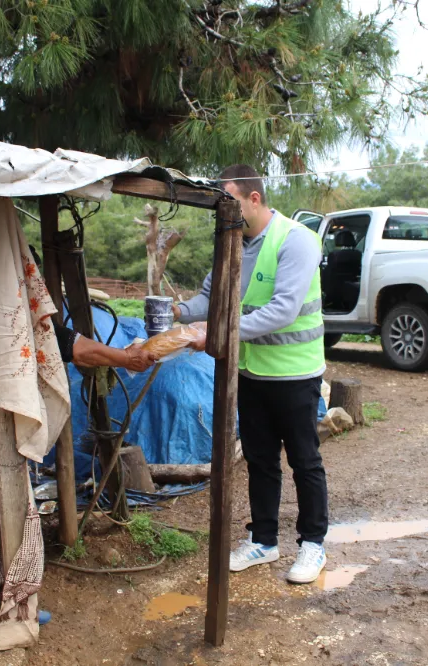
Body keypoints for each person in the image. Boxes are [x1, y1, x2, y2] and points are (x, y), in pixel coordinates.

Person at [173, 165, 328, 584]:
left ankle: (313, 544)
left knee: (304, 460)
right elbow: (211, 296)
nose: (223, 213)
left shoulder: (296, 240)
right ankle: (263, 540)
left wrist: (216, 334)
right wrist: (177, 311)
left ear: (254, 199)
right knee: (260, 460)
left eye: (231, 203)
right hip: (252, 373)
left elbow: (284, 309)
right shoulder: (233, 241)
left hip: (295, 374)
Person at [29, 245, 157, 372]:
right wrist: (127, 357)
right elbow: (76, 349)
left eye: (40, 275)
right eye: (34, 276)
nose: (42, 281)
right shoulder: (23, 319)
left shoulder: (34, 315)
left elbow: (68, 341)